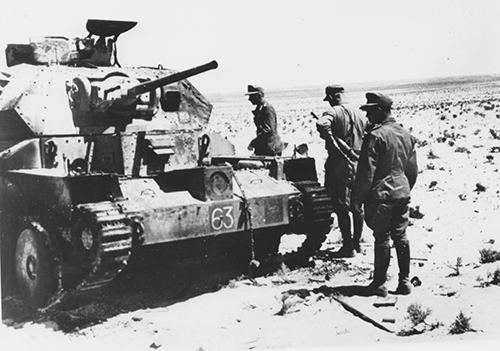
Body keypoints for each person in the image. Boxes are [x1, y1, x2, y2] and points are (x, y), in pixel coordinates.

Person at [351, 92, 418, 297]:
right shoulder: (406, 134)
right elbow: (412, 170)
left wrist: (357, 200)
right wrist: (404, 189)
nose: (369, 117)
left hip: (381, 196)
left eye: (371, 112)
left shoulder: (376, 136)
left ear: (381, 110)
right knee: (401, 236)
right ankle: (405, 282)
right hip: (401, 192)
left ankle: (379, 284)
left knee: (382, 238)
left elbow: (365, 174)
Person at [316, 85, 366, 257]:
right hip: (359, 164)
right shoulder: (359, 113)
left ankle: (348, 246)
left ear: (332, 97)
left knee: (340, 206)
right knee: (357, 206)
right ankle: (358, 244)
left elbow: (322, 125)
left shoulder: (332, 112)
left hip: (339, 165)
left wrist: (334, 143)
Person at [245, 85, 283, 156]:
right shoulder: (260, 109)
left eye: (251, 96)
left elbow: (268, 130)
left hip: (271, 147)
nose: (249, 99)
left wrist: (253, 142)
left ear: (258, 96)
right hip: (264, 146)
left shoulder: (267, 109)